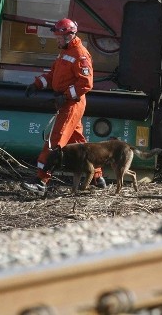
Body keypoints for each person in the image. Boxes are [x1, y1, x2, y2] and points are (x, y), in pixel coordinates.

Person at [20, 18, 106, 195]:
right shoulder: (65, 52)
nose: (56, 39)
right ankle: (98, 177)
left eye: (59, 36)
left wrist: (65, 96)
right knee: (79, 142)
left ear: (70, 35)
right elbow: (54, 75)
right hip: (67, 102)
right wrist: (37, 84)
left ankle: (41, 181)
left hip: (71, 104)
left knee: (55, 141)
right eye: (57, 36)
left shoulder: (80, 54)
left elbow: (86, 83)